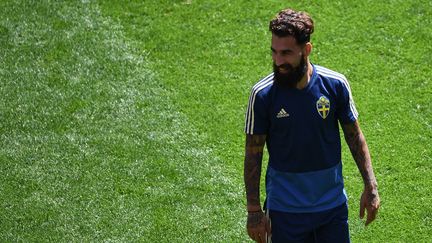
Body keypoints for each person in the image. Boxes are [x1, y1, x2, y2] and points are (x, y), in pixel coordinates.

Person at [243, 8, 380, 243]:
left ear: (306, 50)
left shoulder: (335, 85)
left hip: (331, 207)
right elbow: (253, 154)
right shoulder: (263, 94)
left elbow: (355, 136)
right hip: (285, 210)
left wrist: (371, 186)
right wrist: (254, 211)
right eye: (274, 52)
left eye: (286, 53)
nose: (278, 61)